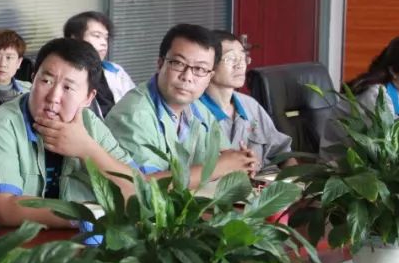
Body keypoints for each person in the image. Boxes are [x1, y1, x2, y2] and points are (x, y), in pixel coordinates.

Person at [0, 38, 137, 229]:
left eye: (68, 88)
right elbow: (4, 208)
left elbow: (136, 192)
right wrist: (88, 215)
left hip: (73, 241)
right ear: (32, 79)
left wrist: (88, 150)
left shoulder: (91, 125)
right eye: (46, 81)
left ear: (88, 98)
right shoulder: (0, 125)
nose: (54, 97)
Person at [105, 24, 258, 185]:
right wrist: (217, 168)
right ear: (160, 64)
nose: (187, 77)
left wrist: (241, 161)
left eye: (200, 69)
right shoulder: (134, 114)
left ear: (209, 77)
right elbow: (145, 188)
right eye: (178, 63)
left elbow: (223, 154)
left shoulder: (197, 108)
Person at [201, 31, 294, 172]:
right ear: (208, 65)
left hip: (263, 183)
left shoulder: (250, 105)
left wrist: (295, 181)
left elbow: (283, 154)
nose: (240, 65)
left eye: (242, 57)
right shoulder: (192, 112)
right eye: (231, 58)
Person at [320, 36, 399, 156]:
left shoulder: (394, 90)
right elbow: (385, 145)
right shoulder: (374, 96)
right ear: (393, 71)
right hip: (342, 164)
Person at [63, 11, 134, 118]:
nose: (104, 43)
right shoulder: (63, 74)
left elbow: (135, 105)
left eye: (106, 38)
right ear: (75, 39)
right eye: (97, 36)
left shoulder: (116, 71)